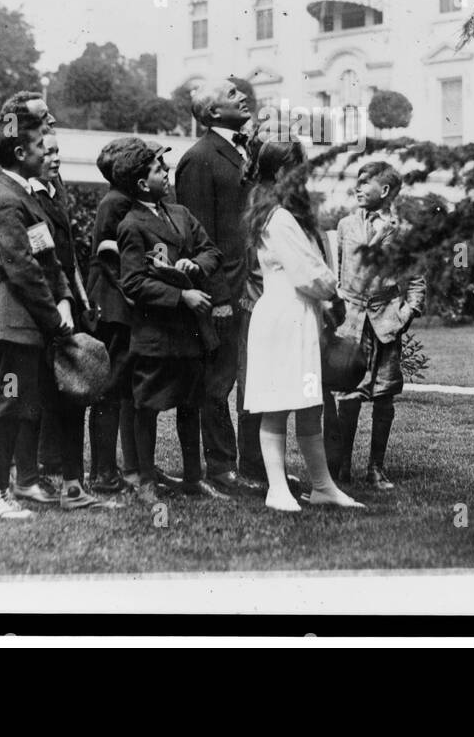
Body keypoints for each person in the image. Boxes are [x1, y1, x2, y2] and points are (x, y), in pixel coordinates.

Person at [0, 108, 94, 518]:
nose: (46, 150)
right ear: (18, 152)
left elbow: (48, 258)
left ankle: (22, 485)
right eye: (38, 146)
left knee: (23, 407)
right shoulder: (5, 200)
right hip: (14, 328)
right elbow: (22, 269)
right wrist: (54, 317)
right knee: (10, 406)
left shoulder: (26, 195)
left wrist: (64, 298)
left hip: (30, 327)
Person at [242, 139, 363, 513]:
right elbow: (307, 271)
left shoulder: (286, 214)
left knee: (310, 404)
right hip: (283, 317)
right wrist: (334, 293)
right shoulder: (277, 218)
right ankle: (276, 489)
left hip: (301, 317)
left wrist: (326, 299)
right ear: (281, 172)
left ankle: (323, 486)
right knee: (277, 405)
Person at [114, 139, 230, 504]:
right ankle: (146, 481)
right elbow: (132, 282)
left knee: (190, 405)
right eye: (158, 170)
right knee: (147, 407)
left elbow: (212, 250)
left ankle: (193, 478)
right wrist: (181, 296)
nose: (166, 173)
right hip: (156, 334)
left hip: (190, 333)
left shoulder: (180, 213)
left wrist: (195, 265)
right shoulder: (131, 225)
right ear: (141, 183)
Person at [173, 78, 265, 496]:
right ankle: (222, 467)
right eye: (231, 94)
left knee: (256, 379)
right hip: (225, 293)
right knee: (219, 382)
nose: (242, 95)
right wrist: (220, 299)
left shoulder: (246, 151)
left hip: (259, 287)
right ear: (211, 114)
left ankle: (255, 465)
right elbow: (199, 238)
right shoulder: (199, 159)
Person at [30, 131, 123, 510]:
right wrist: (59, 304)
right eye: (47, 151)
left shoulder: (55, 189)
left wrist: (79, 299)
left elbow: (65, 258)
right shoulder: (24, 196)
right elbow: (39, 262)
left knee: (72, 388)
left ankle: (66, 477)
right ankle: (38, 472)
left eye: (57, 151)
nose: (55, 158)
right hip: (43, 308)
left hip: (67, 302)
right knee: (37, 394)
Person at [328, 160, 427, 490]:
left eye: (364, 182)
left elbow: (415, 281)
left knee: (383, 397)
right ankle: (341, 468)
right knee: (349, 396)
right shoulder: (345, 225)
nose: (356, 187)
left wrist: (406, 314)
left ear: (384, 191)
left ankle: (376, 468)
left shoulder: (403, 232)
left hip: (385, 324)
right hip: (351, 324)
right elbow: (341, 273)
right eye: (356, 181)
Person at [84, 137, 143, 494]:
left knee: (118, 391)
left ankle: (113, 468)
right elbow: (111, 257)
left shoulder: (119, 200)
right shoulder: (116, 202)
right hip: (114, 306)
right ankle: (103, 471)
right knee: (110, 391)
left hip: (115, 304)